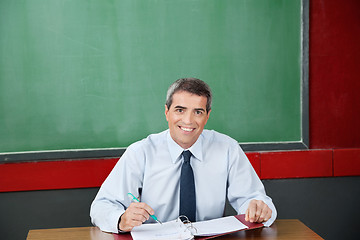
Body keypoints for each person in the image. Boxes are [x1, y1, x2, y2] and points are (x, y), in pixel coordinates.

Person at [90, 78, 277, 233]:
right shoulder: (141, 152)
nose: (188, 121)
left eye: (198, 112)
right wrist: (121, 219)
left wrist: (256, 210)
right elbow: (102, 206)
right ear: (167, 112)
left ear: (207, 116)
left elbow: (254, 199)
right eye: (180, 110)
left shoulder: (227, 148)